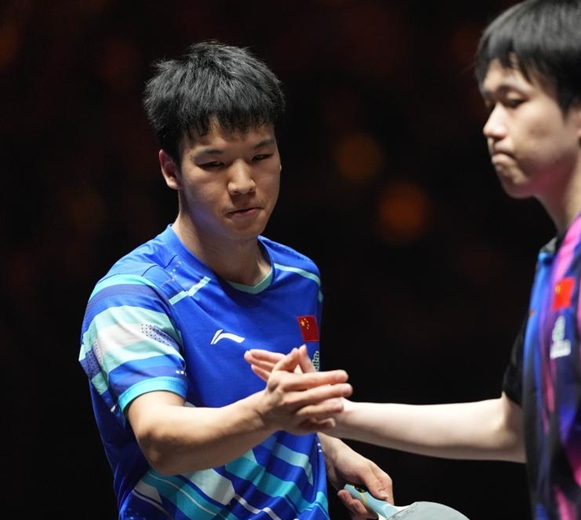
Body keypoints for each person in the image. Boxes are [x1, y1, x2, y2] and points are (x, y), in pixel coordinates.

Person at [246, 1, 581, 518]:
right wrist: (331, 414)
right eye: (490, 103)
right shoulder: (560, 260)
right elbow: (514, 428)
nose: (491, 126)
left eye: (513, 102)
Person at [78, 40, 393, 520]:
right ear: (171, 170)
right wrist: (271, 412)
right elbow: (163, 439)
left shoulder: (300, 278)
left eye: (261, 156)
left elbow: (289, 410)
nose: (244, 182)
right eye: (214, 163)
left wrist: (329, 448)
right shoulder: (133, 295)